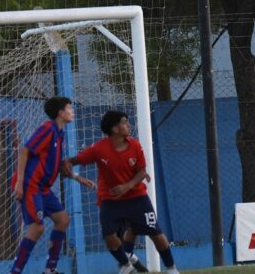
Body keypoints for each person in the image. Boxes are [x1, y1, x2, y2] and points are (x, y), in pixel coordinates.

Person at [61, 111, 180, 274]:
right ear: (114, 129)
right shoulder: (99, 149)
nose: (128, 125)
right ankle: (125, 264)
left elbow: (141, 171)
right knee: (109, 235)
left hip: (137, 197)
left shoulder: (135, 145)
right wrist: (68, 165)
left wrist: (127, 186)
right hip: (110, 199)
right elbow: (75, 160)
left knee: (155, 232)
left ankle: (171, 268)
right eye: (124, 122)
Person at [9, 97, 93, 274]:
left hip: (43, 189)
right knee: (37, 228)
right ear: (61, 113)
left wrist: (77, 177)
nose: (72, 111)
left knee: (63, 220)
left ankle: (49, 270)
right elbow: (25, 150)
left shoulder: (59, 133)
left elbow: (56, 164)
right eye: (69, 108)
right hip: (30, 185)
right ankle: (14, 272)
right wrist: (19, 182)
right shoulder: (47, 128)